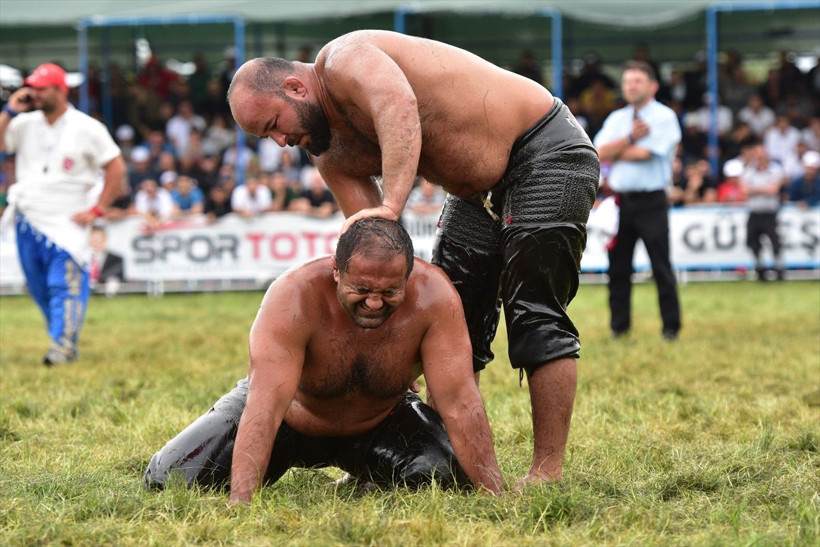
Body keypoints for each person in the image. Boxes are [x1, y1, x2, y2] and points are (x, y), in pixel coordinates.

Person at [226, 30, 600, 485]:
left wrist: (392, 203)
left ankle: (547, 471)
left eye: (274, 124)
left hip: (544, 150)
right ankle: (458, 462)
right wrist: (394, 341)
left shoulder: (346, 58)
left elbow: (399, 108)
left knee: (535, 314)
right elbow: (380, 252)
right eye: (270, 137)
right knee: (449, 319)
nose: (282, 142)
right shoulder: (332, 154)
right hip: (472, 190)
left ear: (295, 87)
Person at [143, 218, 503, 502]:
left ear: (408, 276)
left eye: (389, 292)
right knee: (167, 480)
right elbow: (265, 407)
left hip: (376, 422)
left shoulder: (435, 296)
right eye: (361, 289)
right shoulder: (294, 295)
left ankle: (368, 476)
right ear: (336, 270)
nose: (374, 303)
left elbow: (459, 400)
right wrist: (241, 502)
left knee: (448, 476)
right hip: (291, 420)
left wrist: (495, 494)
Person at [0, 63, 126, 365]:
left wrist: (97, 209)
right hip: (28, 215)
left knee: (64, 282)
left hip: (68, 217)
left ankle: (63, 345)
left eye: (41, 88)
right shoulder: (23, 123)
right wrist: (9, 111)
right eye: (32, 87)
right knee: (38, 285)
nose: (34, 93)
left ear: (60, 90)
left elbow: (116, 167)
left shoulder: (87, 127)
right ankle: (61, 336)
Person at [594, 60, 682, 341]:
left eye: (637, 81)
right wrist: (630, 138)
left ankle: (671, 328)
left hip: (652, 201)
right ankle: (619, 328)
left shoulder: (664, 117)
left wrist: (617, 149)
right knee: (618, 268)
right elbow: (597, 151)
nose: (631, 86)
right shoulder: (618, 119)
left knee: (660, 266)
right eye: (627, 81)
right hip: (621, 203)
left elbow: (647, 154)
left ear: (652, 86)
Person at [741, 145, 786, 281]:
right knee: (753, 241)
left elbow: (774, 190)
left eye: (762, 156)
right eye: (757, 156)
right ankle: (760, 269)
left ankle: (778, 268)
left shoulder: (775, 170)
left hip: (770, 213)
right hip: (755, 213)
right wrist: (764, 189)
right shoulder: (749, 171)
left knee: (775, 241)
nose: (760, 159)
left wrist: (755, 190)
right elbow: (744, 190)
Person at [89, 225, 124, 297]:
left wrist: (97, 281)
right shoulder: (82, 258)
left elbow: (116, 274)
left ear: (105, 241)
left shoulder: (115, 259)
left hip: (104, 286)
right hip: (86, 286)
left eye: (99, 240)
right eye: (94, 240)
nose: (96, 243)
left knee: (113, 282)